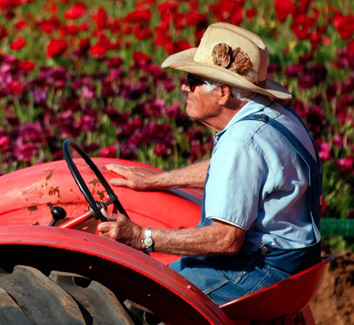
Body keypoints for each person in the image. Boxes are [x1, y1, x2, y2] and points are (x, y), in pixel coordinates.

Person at [97, 22, 323, 305]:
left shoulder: (241, 141)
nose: (184, 87)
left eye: (193, 81)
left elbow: (225, 240)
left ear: (224, 93)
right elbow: (240, 174)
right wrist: (156, 180)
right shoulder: (277, 117)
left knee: (138, 299)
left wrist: (142, 237)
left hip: (261, 270)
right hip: (295, 262)